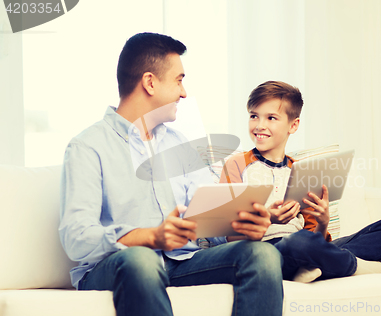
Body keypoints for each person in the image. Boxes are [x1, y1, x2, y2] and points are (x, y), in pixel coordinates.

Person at [59, 33, 284, 316]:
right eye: (179, 80)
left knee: (262, 254)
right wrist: (151, 237)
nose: (184, 92)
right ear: (150, 82)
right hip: (117, 267)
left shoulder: (181, 145)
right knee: (141, 259)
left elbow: (206, 223)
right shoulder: (87, 147)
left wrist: (237, 229)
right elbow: (77, 237)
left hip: (182, 263)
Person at [220, 80, 381, 283]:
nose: (260, 125)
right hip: (266, 251)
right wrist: (268, 219)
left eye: (271, 118)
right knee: (300, 243)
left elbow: (316, 238)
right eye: (254, 116)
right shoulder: (236, 165)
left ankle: (313, 268)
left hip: (307, 247)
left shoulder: (301, 172)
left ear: (293, 125)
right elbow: (229, 238)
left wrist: (323, 222)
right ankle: (375, 268)